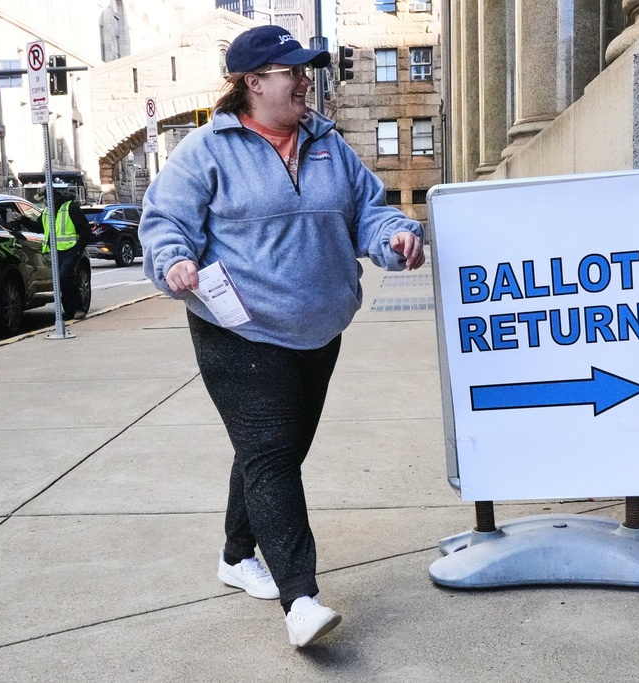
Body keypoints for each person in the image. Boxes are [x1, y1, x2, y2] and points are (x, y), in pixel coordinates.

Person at [138, 24, 425, 648]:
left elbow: (367, 213)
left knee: (276, 450)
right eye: (290, 71)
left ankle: (237, 553)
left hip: (318, 327)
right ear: (251, 83)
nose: (304, 80)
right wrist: (173, 260)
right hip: (239, 328)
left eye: (305, 70)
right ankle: (301, 599)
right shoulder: (207, 150)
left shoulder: (326, 142)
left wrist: (394, 238)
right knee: (271, 450)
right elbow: (164, 222)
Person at [38, 187, 92, 320]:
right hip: (56, 251)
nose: (43, 202)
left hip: (70, 249)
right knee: (61, 280)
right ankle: (69, 311)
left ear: (50, 198)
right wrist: (21, 219)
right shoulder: (46, 212)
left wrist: (78, 248)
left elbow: (85, 231)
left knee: (64, 276)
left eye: (43, 199)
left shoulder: (70, 207)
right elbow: (38, 227)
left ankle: (79, 307)